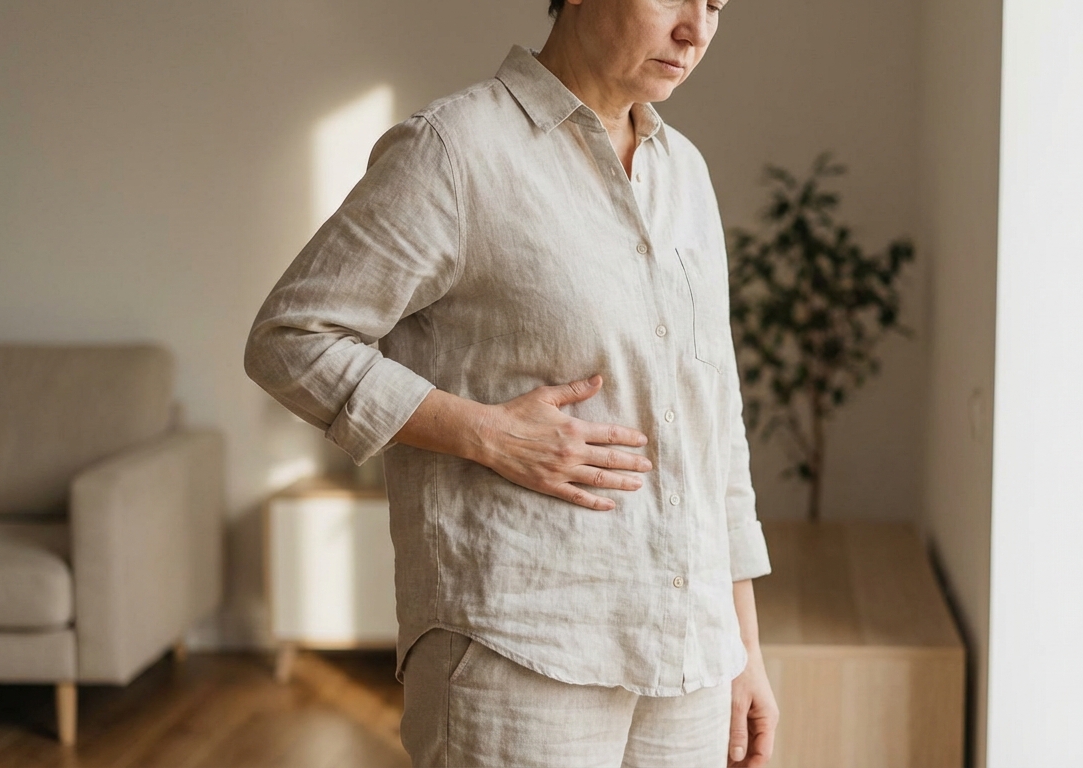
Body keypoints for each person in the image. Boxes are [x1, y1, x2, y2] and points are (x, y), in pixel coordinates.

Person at [243, 0, 777, 765]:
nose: (697, 30)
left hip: (688, 664)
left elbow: (713, 417)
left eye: (718, 4)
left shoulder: (684, 171)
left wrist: (742, 645)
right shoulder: (455, 151)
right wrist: (487, 434)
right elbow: (291, 338)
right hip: (518, 648)